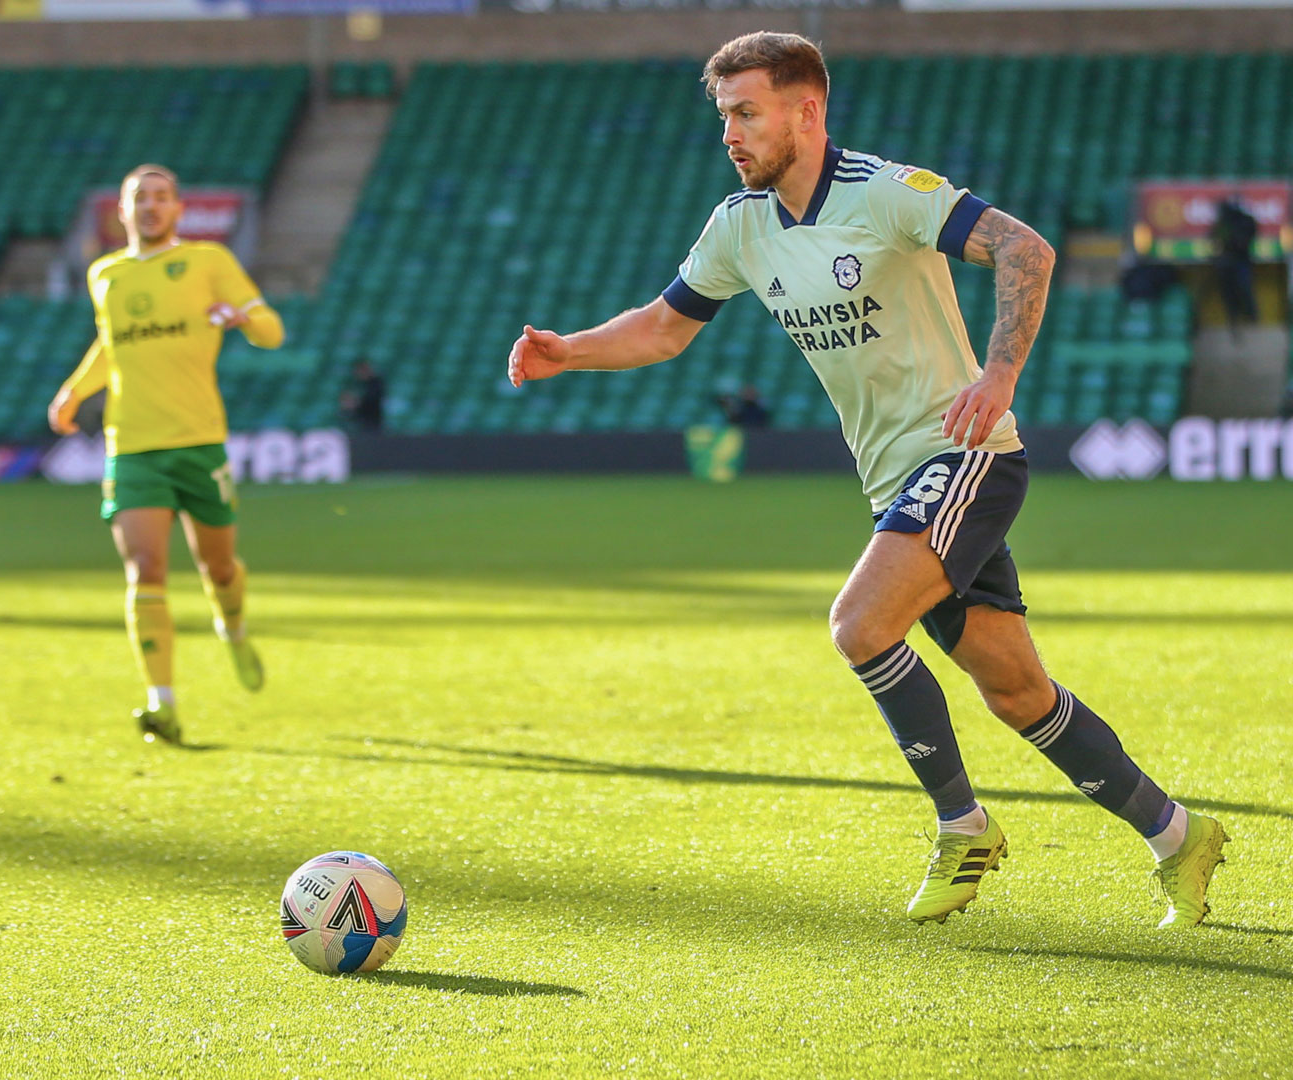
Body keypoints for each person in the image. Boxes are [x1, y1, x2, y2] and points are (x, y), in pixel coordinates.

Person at [506, 32, 1225, 928]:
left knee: (858, 624)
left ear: (807, 109)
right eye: (722, 114)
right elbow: (662, 327)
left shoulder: (887, 192)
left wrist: (997, 378)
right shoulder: (740, 225)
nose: (729, 133)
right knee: (1015, 691)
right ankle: (1177, 836)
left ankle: (963, 825)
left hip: (967, 458)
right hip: (894, 481)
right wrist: (566, 350)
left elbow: (1026, 250)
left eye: (746, 112)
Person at [47, 164, 285, 745]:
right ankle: (163, 703)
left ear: (178, 209)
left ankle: (232, 627)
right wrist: (76, 391)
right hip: (131, 445)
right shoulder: (105, 273)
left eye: (161, 197)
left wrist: (243, 318)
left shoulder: (209, 262)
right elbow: (113, 343)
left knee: (219, 568)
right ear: (121, 213)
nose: (150, 207)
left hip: (199, 441)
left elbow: (271, 330)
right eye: (139, 199)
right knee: (145, 569)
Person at [1211, 197, 1258, 330]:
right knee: (1229, 294)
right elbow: (1214, 239)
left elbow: (1245, 240)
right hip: (1226, 264)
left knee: (1245, 289)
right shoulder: (1222, 223)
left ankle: (1251, 317)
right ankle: (1234, 319)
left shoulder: (1244, 221)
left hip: (1241, 261)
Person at [341, 360, 387, 433]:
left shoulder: (376, 384)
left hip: (372, 422)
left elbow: (372, 400)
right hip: (361, 422)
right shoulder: (358, 384)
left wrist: (356, 402)